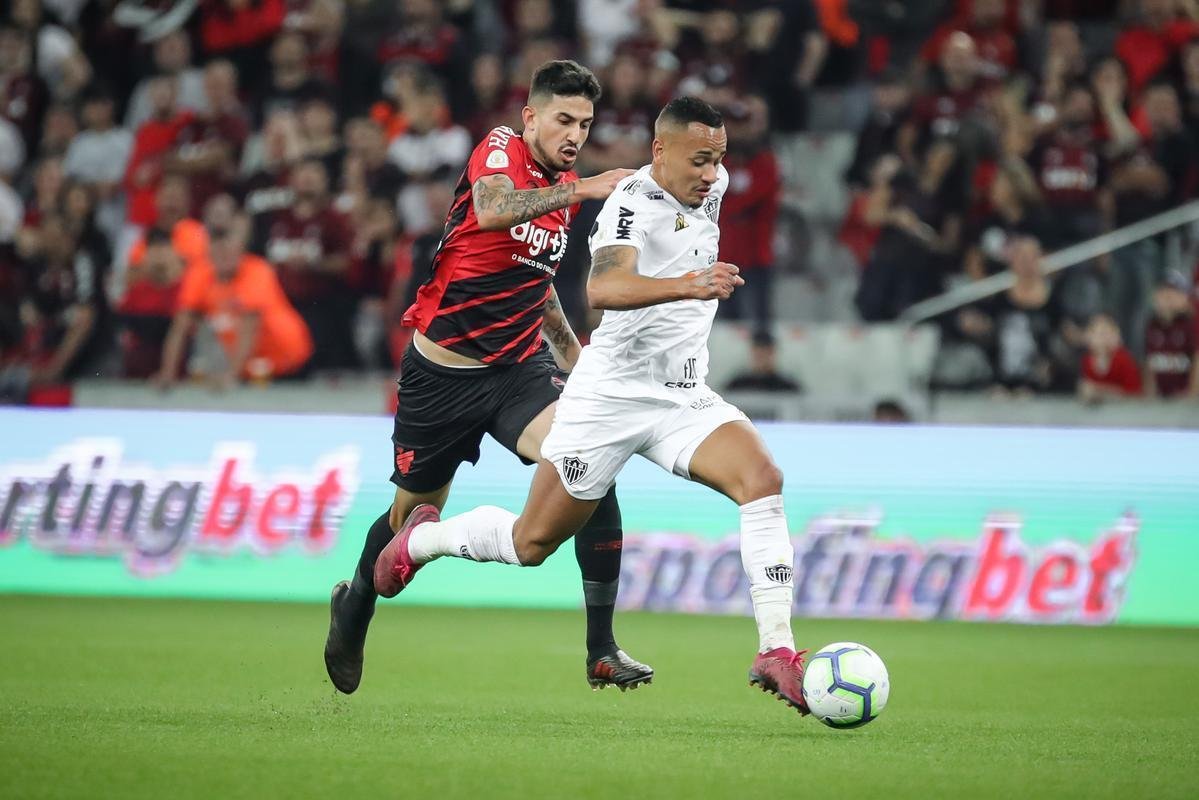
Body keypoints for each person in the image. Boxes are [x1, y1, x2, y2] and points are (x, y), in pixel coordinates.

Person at [374, 97, 810, 712]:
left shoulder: (712, 186)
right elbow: (602, 287)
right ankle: (423, 542)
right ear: (660, 152)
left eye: (718, 160)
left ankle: (776, 650)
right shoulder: (630, 203)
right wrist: (689, 284)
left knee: (763, 479)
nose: (712, 174)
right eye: (699, 160)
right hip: (609, 399)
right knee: (529, 545)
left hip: (681, 395)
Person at [323, 60, 647, 695]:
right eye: (564, 120)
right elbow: (494, 209)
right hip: (441, 376)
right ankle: (356, 602)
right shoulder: (500, 150)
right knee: (409, 518)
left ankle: (601, 648)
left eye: (585, 124)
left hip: (517, 372)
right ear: (530, 117)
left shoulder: (563, 189)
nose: (575, 135)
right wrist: (585, 190)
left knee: (590, 461)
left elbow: (538, 282)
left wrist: (574, 360)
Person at [154, 220, 313, 389]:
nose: (225, 257)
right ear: (209, 252)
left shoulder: (257, 271)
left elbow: (249, 328)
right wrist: (167, 372)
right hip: (250, 367)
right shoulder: (199, 274)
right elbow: (180, 326)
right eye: (219, 251)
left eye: (230, 251)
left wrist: (231, 376)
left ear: (240, 251)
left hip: (289, 360)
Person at [725, 331, 800, 393]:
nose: (761, 354)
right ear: (752, 351)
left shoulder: (787, 386)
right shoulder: (737, 385)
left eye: (765, 350)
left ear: (773, 352)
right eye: (757, 350)